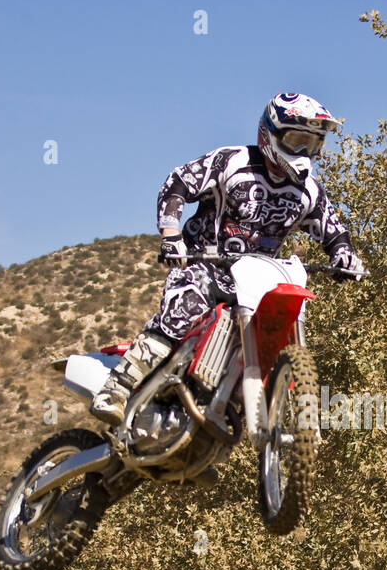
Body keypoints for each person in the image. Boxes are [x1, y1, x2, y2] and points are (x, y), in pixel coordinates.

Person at [90, 92, 365, 425]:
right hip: (204, 266)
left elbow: (334, 232)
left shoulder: (309, 192)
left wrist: (344, 255)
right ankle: (117, 388)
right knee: (185, 304)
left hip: (256, 284)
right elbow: (178, 183)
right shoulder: (232, 162)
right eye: (296, 140)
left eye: (313, 144)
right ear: (270, 134)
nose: (304, 153)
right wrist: (171, 236)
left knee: (276, 329)